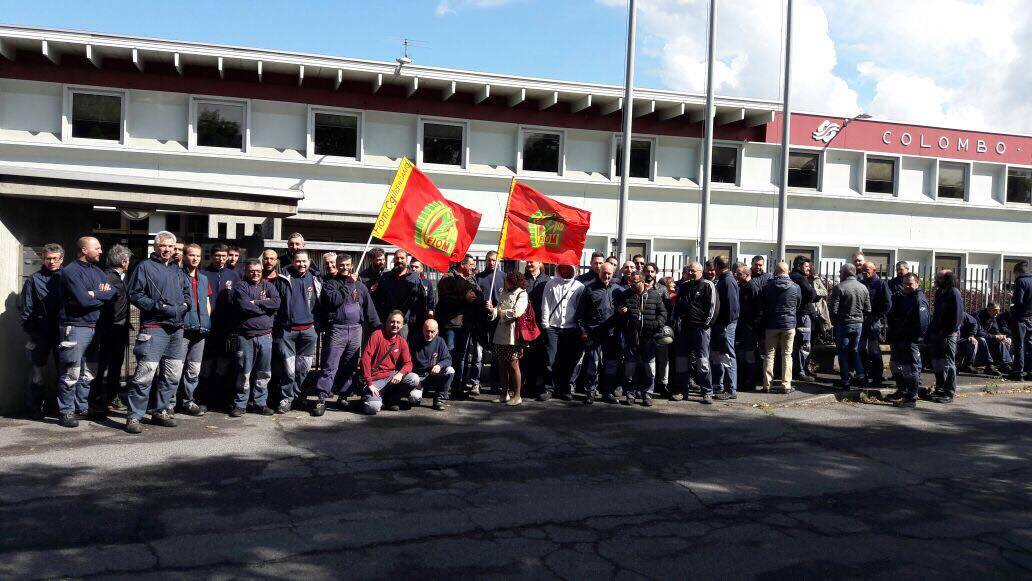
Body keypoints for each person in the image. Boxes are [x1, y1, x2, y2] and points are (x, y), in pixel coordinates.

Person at [124, 231, 192, 434]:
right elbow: (134, 294)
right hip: (154, 327)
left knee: (172, 375)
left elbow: (187, 292)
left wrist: (186, 305)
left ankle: (160, 411)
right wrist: (157, 306)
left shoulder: (178, 269)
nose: (167, 249)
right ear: (155, 247)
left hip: (176, 329)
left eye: (171, 246)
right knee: (145, 374)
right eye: (163, 245)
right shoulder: (144, 266)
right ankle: (134, 417)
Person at [56, 237, 116, 428]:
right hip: (75, 327)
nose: (101, 251)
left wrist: (94, 294)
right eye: (97, 248)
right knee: (71, 372)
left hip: (94, 327)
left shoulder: (97, 271)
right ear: (83, 250)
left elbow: (112, 294)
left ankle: (81, 407)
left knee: (89, 372)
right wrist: (99, 296)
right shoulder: (70, 271)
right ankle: (66, 411)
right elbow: (83, 300)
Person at [311, 254, 379, 416]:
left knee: (350, 366)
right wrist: (348, 283)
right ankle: (321, 398)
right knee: (330, 366)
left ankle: (343, 396)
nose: (345, 268)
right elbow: (334, 301)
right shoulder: (330, 284)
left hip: (356, 329)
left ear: (352, 265)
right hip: (337, 329)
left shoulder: (360, 285)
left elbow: (369, 308)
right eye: (341, 265)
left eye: (347, 265)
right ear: (337, 265)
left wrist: (378, 326)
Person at [229, 259, 281, 417]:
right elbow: (244, 306)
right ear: (246, 271)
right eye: (251, 271)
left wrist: (256, 303)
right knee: (243, 372)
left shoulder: (268, 286)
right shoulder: (240, 286)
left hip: (265, 335)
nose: (255, 273)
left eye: (258, 270)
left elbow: (276, 303)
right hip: (246, 336)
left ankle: (260, 403)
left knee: (264, 372)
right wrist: (265, 309)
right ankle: (240, 404)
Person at [270, 250, 320, 414]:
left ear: (309, 261)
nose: (301, 264)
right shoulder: (282, 278)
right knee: (288, 369)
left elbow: (322, 304)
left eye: (304, 261)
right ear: (292, 261)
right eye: (298, 261)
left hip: (308, 331)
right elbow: (275, 304)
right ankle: (286, 398)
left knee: (303, 368)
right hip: (287, 331)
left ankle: (299, 397)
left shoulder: (316, 279)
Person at [19, 243, 64, 420]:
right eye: (48, 259)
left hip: (62, 330)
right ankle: (36, 408)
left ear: (61, 259)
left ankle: (62, 408)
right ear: (43, 259)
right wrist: (32, 330)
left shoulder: (67, 277)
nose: (51, 262)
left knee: (65, 370)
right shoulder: (34, 279)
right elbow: (27, 307)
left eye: (55, 259)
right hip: (40, 331)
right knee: (37, 371)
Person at [90, 244, 132, 415]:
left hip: (118, 328)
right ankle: (98, 398)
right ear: (124, 261)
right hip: (110, 328)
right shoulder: (108, 278)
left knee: (115, 364)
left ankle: (110, 397)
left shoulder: (120, 277)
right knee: (104, 365)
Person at [200, 243, 241, 408]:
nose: (221, 259)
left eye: (224, 256)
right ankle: (204, 399)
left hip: (227, 327)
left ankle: (223, 399)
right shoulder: (203, 274)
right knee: (206, 365)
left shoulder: (234, 275)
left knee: (225, 365)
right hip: (208, 326)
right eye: (218, 255)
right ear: (212, 256)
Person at [616, 271, 666, 406]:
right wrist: (621, 313)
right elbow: (617, 314)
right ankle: (630, 394)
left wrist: (657, 324)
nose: (631, 284)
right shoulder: (625, 295)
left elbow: (663, 312)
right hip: (631, 337)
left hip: (649, 337)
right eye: (630, 281)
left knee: (649, 368)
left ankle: (647, 394)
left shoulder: (654, 295)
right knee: (630, 368)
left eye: (635, 281)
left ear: (643, 281)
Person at [436, 256, 483, 399]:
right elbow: (444, 299)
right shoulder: (448, 278)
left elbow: (480, 296)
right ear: (462, 264)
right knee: (449, 355)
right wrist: (464, 298)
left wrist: (475, 297)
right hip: (451, 324)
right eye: (471, 264)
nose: (473, 267)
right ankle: (445, 388)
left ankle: (458, 387)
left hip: (466, 324)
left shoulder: (472, 279)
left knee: (462, 357)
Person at [538, 264, 586, 401]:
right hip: (553, 327)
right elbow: (546, 303)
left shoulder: (579, 286)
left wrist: (580, 328)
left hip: (571, 328)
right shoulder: (551, 284)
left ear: (573, 270)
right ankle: (548, 388)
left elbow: (580, 308)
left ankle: (565, 388)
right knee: (550, 359)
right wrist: (545, 324)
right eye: (562, 268)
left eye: (568, 268)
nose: (565, 271)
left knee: (567, 360)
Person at [577, 262, 621, 404]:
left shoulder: (618, 290)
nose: (606, 276)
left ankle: (607, 392)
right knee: (593, 363)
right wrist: (583, 330)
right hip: (593, 332)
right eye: (604, 273)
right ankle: (590, 393)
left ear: (613, 273)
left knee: (610, 364)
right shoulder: (589, 288)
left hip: (612, 333)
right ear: (599, 272)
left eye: (609, 274)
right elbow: (581, 313)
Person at [673, 261, 716, 404]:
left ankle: (707, 392)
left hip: (701, 330)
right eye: (689, 270)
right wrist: (676, 323)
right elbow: (677, 307)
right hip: (684, 330)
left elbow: (713, 307)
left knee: (702, 362)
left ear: (700, 272)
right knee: (681, 361)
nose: (690, 273)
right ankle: (681, 391)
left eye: (693, 271)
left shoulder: (708, 285)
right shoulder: (684, 286)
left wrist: (706, 325)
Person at [360, 310, 419, 415]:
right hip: (375, 379)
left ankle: (391, 399)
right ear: (387, 323)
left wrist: (400, 374)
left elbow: (408, 363)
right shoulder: (377, 335)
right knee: (373, 407)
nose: (395, 325)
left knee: (414, 378)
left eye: (398, 322)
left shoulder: (401, 341)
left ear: (402, 325)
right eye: (392, 322)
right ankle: (372, 399)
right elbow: (365, 358)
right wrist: (369, 383)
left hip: (391, 377)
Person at [885, 273, 929, 408]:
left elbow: (922, 323)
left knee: (910, 369)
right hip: (900, 339)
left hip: (910, 340)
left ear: (917, 283)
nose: (907, 286)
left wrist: (915, 338)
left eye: (910, 284)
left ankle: (911, 397)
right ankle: (902, 391)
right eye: (905, 284)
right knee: (896, 365)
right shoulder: (905, 297)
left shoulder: (918, 299)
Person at [178, 243, 210, 416]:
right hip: (183, 329)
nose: (195, 258)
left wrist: (206, 320)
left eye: (198, 255)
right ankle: (169, 403)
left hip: (201, 329)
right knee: (175, 368)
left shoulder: (203, 279)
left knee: (194, 369)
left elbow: (206, 302)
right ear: (185, 256)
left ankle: (188, 401)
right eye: (191, 255)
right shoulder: (177, 276)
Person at [759, 261, 801, 394]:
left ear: (776, 271)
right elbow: (798, 304)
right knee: (787, 355)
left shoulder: (768, 286)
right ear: (788, 271)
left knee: (769, 354)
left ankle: (767, 384)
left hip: (772, 324)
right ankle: (786, 385)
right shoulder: (795, 287)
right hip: (789, 324)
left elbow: (763, 303)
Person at [487, 271, 529, 405]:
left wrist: (499, 313)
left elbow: (517, 312)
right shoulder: (503, 292)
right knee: (501, 364)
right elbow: (498, 309)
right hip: (500, 333)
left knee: (513, 364)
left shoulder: (522, 294)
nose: (505, 282)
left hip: (513, 335)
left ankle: (517, 396)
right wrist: (492, 310)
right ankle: (504, 394)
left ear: (514, 282)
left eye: (508, 280)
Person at [829, 264, 871, 389]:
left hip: (844, 323)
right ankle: (861, 376)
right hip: (858, 323)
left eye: (840, 272)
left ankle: (845, 380)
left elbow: (834, 310)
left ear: (845, 273)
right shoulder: (863, 287)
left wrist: (834, 322)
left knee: (843, 352)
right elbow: (868, 309)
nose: (839, 274)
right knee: (855, 350)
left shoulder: (839, 287)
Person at [927, 269, 963, 403]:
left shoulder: (954, 293)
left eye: (940, 278)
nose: (937, 280)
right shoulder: (939, 292)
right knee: (937, 362)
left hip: (948, 334)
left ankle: (949, 392)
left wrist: (949, 331)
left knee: (948, 363)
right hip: (937, 333)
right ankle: (940, 387)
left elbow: (958, 316)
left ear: (948, 279)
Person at [472, 251, 505, 392]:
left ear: (498, 261)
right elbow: (473, 298)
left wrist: (495, 309)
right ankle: (475, 382)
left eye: (494, 260)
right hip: (480, 320)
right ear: (485, 260)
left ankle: (495, 382)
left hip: (497, 321)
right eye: (489, 260)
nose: (491, 262)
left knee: (496, 353)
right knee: (478, 353)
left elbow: (506, 300)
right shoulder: (478, 278)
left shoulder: (504, 277)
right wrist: (482, 303)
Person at [374, 249, 423, 338]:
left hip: (405, 324)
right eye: (397, 258)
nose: (399, 260)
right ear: (394, 259)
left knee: (403, 345)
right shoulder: (385, 277)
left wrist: (414, 319)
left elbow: (421, 301)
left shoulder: (415, 278)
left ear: (406, 260)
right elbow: (378, 299)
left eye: (402, 258)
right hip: (387, 322)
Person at [710, 256, 740, 399]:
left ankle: (730, 389)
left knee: (728, 355)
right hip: (722, 324)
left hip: (726, 324)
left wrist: (726, 324)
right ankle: (719, 385)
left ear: (717, 265)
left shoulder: (727, 281)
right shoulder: (724, 280)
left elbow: (732, 306)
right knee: (719, 354)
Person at [860, 261, 892, 387]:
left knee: (874, 350)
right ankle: (863, 375)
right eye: (863, 270)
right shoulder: (861, 283)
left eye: (867, 269)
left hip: (873, 321)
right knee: (861, 349)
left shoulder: (881, 284)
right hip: (862, 320)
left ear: (873, 270)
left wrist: (877, 316)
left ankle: (877, 377)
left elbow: (888, 303)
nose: (864, 272)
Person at [410, 319, 454, 411]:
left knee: (450, 370)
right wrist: (415, 380)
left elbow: (448, 359)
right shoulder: (414, 340)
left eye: (432, 331)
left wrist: (439, 365)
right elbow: (407, 361)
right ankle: (418, 393)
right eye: (427, 331)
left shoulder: (440, 341)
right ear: (423, 329)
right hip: (419, 376)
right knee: (414, 399)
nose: (429, 334)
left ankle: (439, 400)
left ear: (437, 331)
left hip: (434, 375)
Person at [522, 261, 551, 393]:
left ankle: (539, 384)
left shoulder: (547, 280)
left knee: (540, 354)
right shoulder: (522, 279)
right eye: (527, 262)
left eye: (531, 261)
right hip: (525, 323)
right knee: (526, 354)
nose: (529, 264)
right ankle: (527, 384)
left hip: (541, 322)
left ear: (539, 263)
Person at [734, 263, 762, 392]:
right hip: (743, 326)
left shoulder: (752, 287)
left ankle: (750, 381)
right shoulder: (743, 286)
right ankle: (744, 379)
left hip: (749, 327)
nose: (736, 275)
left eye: (739, 274)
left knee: (749, 354)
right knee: (743, 353)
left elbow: (758, 308)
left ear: (746, 275)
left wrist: (753, 325)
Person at [789, 257, 817, 381]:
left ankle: (803, 369)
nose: (808, 268)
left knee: (799, 343)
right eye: (806, 266)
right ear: (799, 266)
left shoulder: (793, 276)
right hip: (803, 314)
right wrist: (813, 295)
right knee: (803, 343)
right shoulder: (799, 278)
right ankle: (800, 371)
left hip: (799, 314)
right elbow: (812, 293)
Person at [974, 302, 1013, 375]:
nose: (997, 312)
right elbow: (979, 332)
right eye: (995, 310)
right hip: (973, 336)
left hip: (986, 336)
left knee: (1000, 341)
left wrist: (1002, 337)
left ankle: (1005, 364)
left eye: (999, 310)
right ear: (989, 309)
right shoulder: (978, 316)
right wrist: (995, 337)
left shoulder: (993, 316)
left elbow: (995, 330)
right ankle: (989, 365)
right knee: (983, 340)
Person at [1009, 260, 1032, 381]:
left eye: (1015, 273)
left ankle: (1018, 372)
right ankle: (1030, 371)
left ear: (1018, 272)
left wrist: (1012, 298)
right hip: (1031, 317)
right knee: (1030, 344)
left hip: (1021, 317)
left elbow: (1018, 301)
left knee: (1019, 345)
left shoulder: (1020, 281)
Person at [408, 259, 436, 345]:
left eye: (416, 267)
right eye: (412, 267)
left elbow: (431, 299)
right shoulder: (405, 281)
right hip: (408, 318)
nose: (413, 269)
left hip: (422, 317)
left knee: (420, 341)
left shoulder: (427, 283)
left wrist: (430, 312)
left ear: (421, 269)